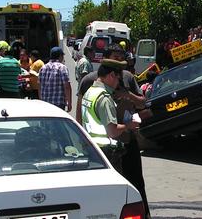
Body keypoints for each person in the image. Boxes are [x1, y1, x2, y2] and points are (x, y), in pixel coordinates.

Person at [77, 44, 150, 217]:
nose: (120, 63)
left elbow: (142, 102)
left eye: (121, 58)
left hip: (126, 140)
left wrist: (127, 95)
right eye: (116, 58)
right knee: (111, 189)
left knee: (136, 182)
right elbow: (81, 109)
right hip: (108, 145)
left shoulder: (127, 78)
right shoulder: (90, 81)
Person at [39, 47, 72, 111]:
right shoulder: (62, 68)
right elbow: (67, 86)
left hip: (45, 104)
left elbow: (39, 86)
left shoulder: (43, 68)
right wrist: (69, 103)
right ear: (60, 56)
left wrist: (41, 100)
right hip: (58, 104)